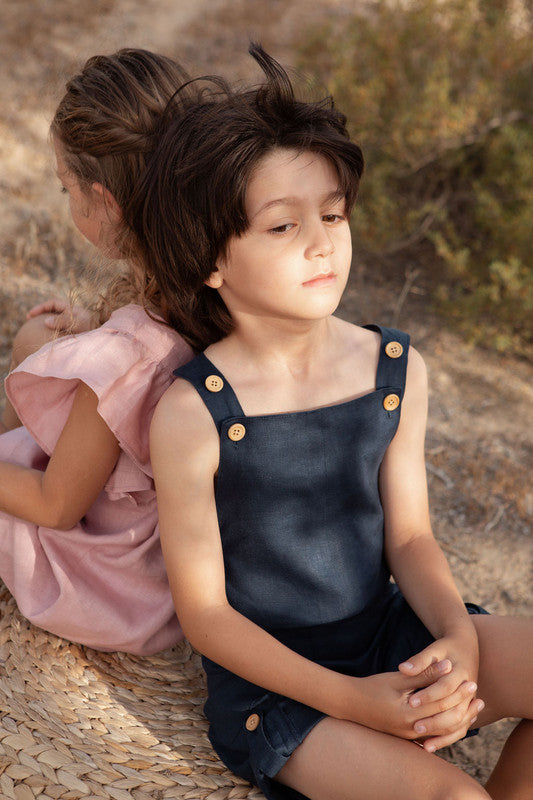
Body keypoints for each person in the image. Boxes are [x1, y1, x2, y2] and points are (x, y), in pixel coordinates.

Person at [144, 44, 533, 799]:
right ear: (209, 260)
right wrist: (357, 702)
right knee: (456, 798)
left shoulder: (393, 369)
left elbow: (411, 537)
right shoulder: (193, 410)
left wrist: (454, 637)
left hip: (389, 632)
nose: (322, 241)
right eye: (282, 227)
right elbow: (207, 615)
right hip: (278, 689)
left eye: (330, 214)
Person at [0, 48, 198, 654]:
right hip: (159, 550)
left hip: (118, 587)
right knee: (38, 340)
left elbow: (57, 505)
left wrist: (102, 343)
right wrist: (95, 327)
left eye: (66, 188)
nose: (65, 203)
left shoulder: (124, 354)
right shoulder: (202, 282)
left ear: (104, 201)